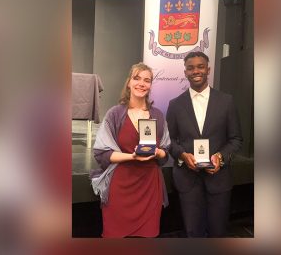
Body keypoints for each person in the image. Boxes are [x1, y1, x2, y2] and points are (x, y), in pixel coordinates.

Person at [166, 51, 243, 237]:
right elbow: (168, 140)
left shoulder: (226, 101)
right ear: (185, 72)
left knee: (218, 231)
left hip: (219, 180)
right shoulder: (175, 104)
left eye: (200, 66)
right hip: (187, 180)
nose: (196, 71)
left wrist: (220, 157)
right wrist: (183, 155)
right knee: (193, 232)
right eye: (191, 68)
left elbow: (235, 139)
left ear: (208, 70)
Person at [92, 62, 170, 238]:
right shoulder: (114, 114)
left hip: (149, 186)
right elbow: (102, 153)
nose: (142, 83)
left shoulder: (157, 115)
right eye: (137, 78)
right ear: (129, 82)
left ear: (150, 85)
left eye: (147, 80)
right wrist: (132, 156)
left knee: (148, 236)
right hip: (121, 187)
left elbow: (166, 150)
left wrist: (157, 152)